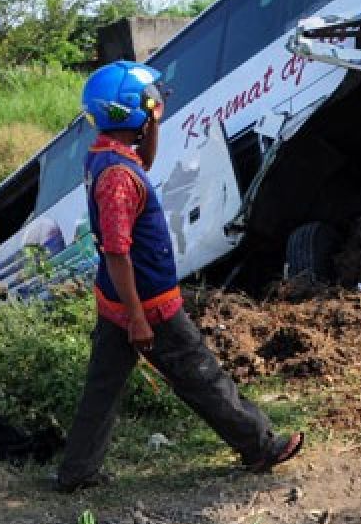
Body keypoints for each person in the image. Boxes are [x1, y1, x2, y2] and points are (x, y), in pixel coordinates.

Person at [55, 61, 303, 492]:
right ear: (131, 109)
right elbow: (116, 251)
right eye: (151, 101)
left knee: (103, 389)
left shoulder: (110, 156)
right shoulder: (116, 177)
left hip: (119, 300)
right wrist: (137, 319)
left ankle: (77, 472)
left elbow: (146, 160)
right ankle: (260, 447)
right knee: (201, 376)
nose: (157, 105)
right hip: (146, 306)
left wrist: (151, 123)